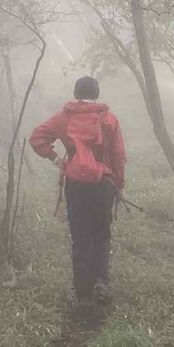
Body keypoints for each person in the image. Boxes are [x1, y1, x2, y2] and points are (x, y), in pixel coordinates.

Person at [30, 77, 126, 306]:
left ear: (75, 93)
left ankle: (82, 293)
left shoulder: (64, 117)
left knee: (81, 238)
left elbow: (37, 138)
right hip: (104, 183)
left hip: (75, 184)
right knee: (101, 235)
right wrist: (119, 185)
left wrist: (57, 161)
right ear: (97, 93)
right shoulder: (109, 119)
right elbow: (118, 156)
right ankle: (102, 284)